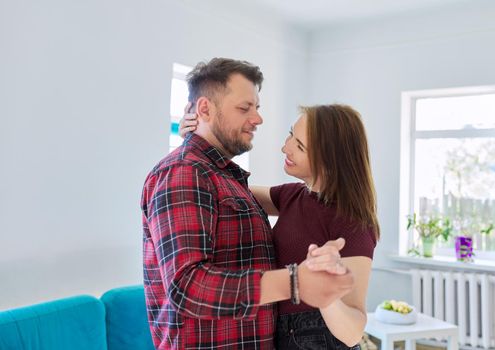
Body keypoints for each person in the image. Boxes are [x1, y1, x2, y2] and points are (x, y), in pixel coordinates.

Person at [141, 57, 355, 350]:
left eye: (257, 108)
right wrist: (295, 282)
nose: (257, 119)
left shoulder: (221, 177)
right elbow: (188, 287)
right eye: (244, 108)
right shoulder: (182, 173)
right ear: (204, 109)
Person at [180, 103, 380, 349]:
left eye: (299, 146)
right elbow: (219, 188)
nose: (285, 147)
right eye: (290, 135)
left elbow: (352, 333)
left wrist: (324, 293)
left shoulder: (352, 223)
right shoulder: (294, 196)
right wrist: (196, 144)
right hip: (278, 333)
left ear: (330, 160)